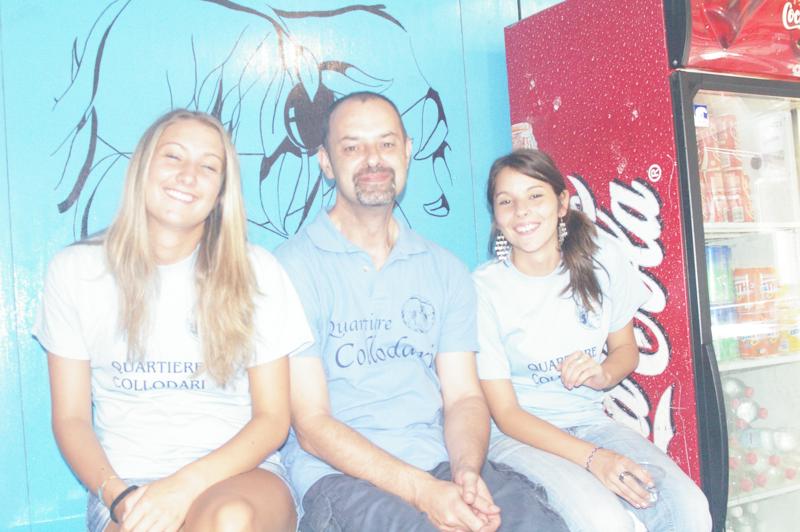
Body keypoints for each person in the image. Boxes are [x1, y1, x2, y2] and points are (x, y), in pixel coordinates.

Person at [274, 92, 568, 532]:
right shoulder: (291, 268)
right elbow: (312, 425)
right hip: (341, 478)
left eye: (386, 143)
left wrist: (466, 471)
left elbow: (464, 397)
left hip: (440, 463)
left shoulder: (445, 269)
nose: (373, 159)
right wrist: (422, 492)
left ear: (408, 151)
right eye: (352, 147)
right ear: (325, 162)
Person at [34, 109, 312, 532]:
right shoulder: (75, 271)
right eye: (173, 156)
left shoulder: (258, 271)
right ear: (142, 168)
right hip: (126, 486)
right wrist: (119, 497)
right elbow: (71, 419)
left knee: (229, 520)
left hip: (241, 477)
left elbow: (273, 419)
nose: (188, 175)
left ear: (221, 191)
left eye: (208, 167)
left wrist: (183, 488)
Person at [474, 148, 713, 532]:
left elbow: (626, 350)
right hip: (519, 437)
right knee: (604, 523)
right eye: (506, 201)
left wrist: (603, 375)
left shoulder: (602, 258)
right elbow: (506, 414)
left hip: (589, 422)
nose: (521, 211)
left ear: (561, 203)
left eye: (535, 195)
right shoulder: (483, 290)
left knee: (688, 509)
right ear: (496, 216)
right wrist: (594, 458)